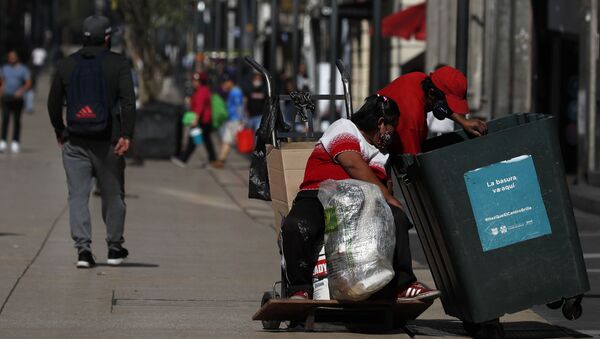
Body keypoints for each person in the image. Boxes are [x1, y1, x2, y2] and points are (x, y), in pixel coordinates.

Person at [281, 95, 440, 301]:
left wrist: (389, 199)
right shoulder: (345, 127)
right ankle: (299, 289)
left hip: (362, 202)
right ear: (381, 124)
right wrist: (389, 198)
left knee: (397, 218)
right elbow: (352, 163)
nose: (393, 134)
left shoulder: (383, 153)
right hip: (319, 195)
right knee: (297, 225)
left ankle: (404, 284)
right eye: (393, 127)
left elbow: (382, 182)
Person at [47, 15, 136, 268]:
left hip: (75, 140)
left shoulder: (67, 64)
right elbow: (128, 101)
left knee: (77, 196)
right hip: (109, 141)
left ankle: (83, 251)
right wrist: (127, 134)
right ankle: (114, 248)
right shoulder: (118, 63)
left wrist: (59, 129)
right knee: (113, 195)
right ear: (108, 37)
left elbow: (53, 102)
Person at [377, 65, 487, 155]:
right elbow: (412, 162)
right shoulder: (412, 118)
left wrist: (464, 122)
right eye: (447, 103)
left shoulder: (420, 79)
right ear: (432, 93)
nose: (448, 109)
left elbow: (442, 106)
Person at [171, 71, 216, 167]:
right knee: (206, 141)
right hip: (204, 120)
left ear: (201, 81)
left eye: (197, 81)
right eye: (193, 80)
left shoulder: (201, 91)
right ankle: (212, 159)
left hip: (202, 120)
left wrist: (195, 119)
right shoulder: (200, 90)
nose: (194, 82)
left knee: (194, 140)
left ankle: (184, 159)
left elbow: (200, 107)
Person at [0, 50, 32, 153]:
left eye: (14, 57)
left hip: (18, 99)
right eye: (10, 57)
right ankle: (3, 141)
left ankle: (15, 141)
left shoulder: (23, 69)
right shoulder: (4, 68)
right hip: (6, 98)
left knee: (17, 120)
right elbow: (1, 81)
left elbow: (28, 83)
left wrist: (21, 91)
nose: (12, 59)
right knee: (5, 119)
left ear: (17, 57)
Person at [212, 75, 243, 168]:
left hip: (236, 120)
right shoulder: (231, 91)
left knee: (240, 141)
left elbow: (239, 106)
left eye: (226, 82)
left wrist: (241, 120)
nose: (224, 84)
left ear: (231, 82)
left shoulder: (236, 92)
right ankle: (221, 160)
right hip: (230, 119)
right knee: (226, 140)